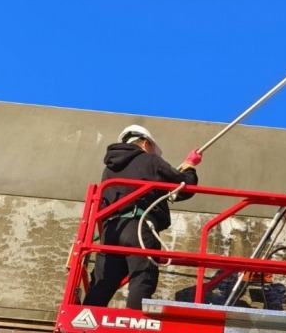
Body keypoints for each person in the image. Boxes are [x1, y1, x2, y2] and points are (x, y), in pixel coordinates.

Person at [84, 125, 202, 309]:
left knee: (103, 282)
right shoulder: (150, 161)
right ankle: (134, 324)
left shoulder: (109, 169)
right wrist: (190, 167)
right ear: (145, 143)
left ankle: (85, 320)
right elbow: (184, 187)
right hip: (138, 228)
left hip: (110, 232)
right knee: (142, 278)